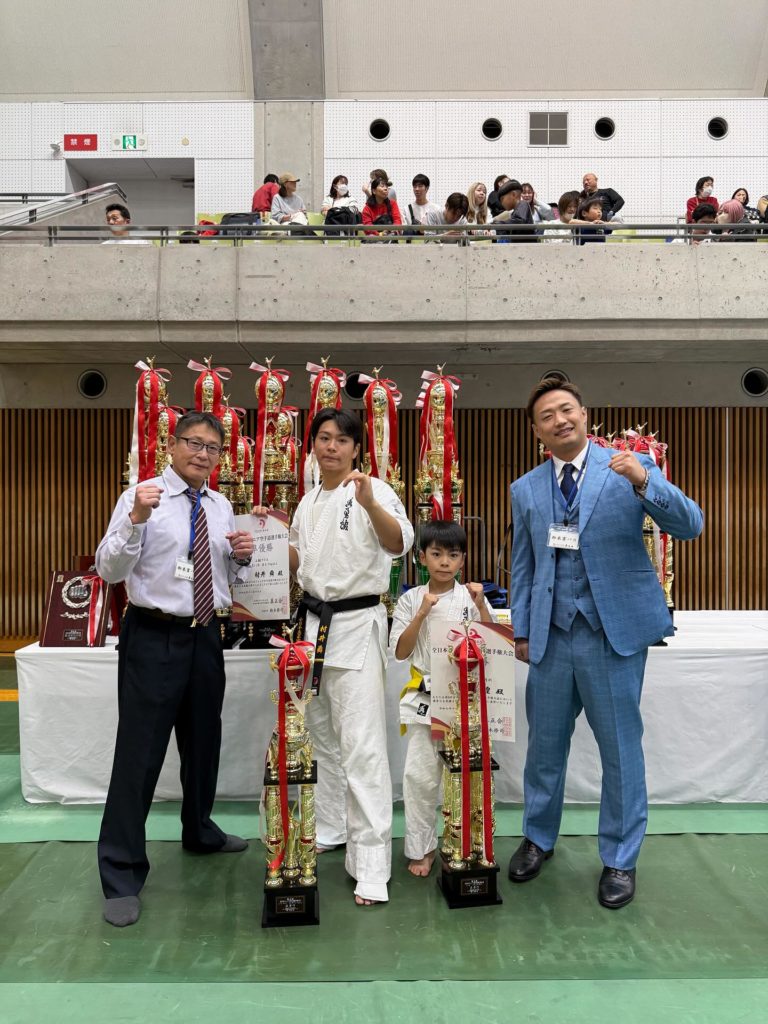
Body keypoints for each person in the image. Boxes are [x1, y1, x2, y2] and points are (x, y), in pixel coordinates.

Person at [508, 378, 703, 909]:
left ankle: (620, 858)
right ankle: (537, 837)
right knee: (545, 749)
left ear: (584, 414)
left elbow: (690, 525)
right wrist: (522, 628)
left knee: (620, 750)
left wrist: (645, 480)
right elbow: (523, 567)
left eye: (566, 409)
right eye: (547, 416)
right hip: (551, 637)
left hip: (611, 635)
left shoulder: (628, 468)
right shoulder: (525, 489)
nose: (559, 420)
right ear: (536, 432)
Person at [95, 411, 255, 927]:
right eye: (194, 443)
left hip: (205, 635)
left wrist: (242, 557)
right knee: (139, 754)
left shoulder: (221, 506)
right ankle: (121, 872)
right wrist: (136, 520)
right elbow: (108, 569)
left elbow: (222, 578)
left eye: (213, 447)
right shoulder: (141, 497)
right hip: (153, 635)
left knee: (203, 742)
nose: (203, 454)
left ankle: (200, 829)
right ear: (172, 443)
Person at [289, 409, 413, 905]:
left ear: (357, 448)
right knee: (322, 739)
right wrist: (264, 535)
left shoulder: (372, 490)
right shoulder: (307, 501)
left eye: (342, 439)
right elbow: (300, 560)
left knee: (362, 747)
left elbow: (399, 543)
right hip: (313, 628)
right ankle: (332, 826)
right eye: (323, 438)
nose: (332, 447)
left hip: (357, 625)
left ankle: (372, 864)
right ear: (312, 446)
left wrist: (369, 504)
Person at [389, 520, 492, 877]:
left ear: (463, 559)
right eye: (436, 554)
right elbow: (400, 652)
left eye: (453, 555)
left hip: (465, 700)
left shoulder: (470, 598)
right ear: (421, 557)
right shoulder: (410, 599)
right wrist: (422, 612)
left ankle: (467, 842)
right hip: (425, 697)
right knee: (419, 777)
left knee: (465, 775)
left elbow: (491, 646)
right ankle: (423, 848)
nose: (445, 562)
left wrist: (481, 605)